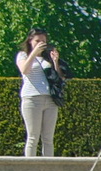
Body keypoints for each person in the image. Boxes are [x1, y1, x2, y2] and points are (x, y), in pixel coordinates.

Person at [15, 28, 64, 156]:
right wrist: (34, 53)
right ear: (30, 41)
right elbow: (25, 70)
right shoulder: (23, 55)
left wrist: (55, 62)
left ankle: (48, 169)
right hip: (32, 98)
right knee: (33, 137)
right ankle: (30, 169)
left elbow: (59, 78)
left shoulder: (46, 58)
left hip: (50, 99)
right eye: (37, 41)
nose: (40, 43)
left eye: (43, 41)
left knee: (48, 138)